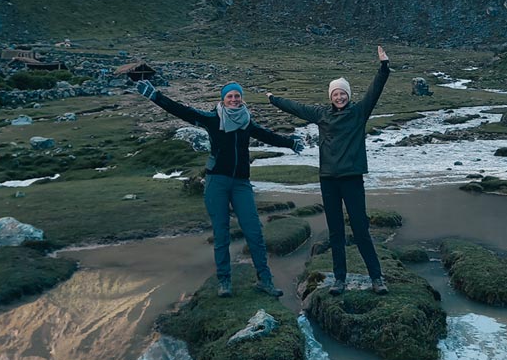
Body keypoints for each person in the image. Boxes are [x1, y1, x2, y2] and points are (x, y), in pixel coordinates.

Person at [136, 79, 303, 298]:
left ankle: (265, 280)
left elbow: (267, 135)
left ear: (241, 98)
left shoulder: (247, 122)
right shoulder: (213, 119)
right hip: (217, 182)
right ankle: (224, 281)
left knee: (254, 232)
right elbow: (182, 111)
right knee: (221, 234)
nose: (234, 99)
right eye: (229, 96)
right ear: (223, 99)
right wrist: (155, 96)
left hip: (241, 184)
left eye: (237, 96)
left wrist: (290, 142)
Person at [267, 46, 390, 295]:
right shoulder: (322, 115)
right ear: (330, 96)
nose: (339, 97)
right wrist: (273, 100)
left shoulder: (358, 112)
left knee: (360, 230)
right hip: (329, 180)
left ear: (348, 95)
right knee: (335, 232)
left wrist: (384, 67)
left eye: (343, 93)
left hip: (352, 179)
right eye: (335, 94)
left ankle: (377, 278)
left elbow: (374, 91)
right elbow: (297, 108)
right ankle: (340, 280)